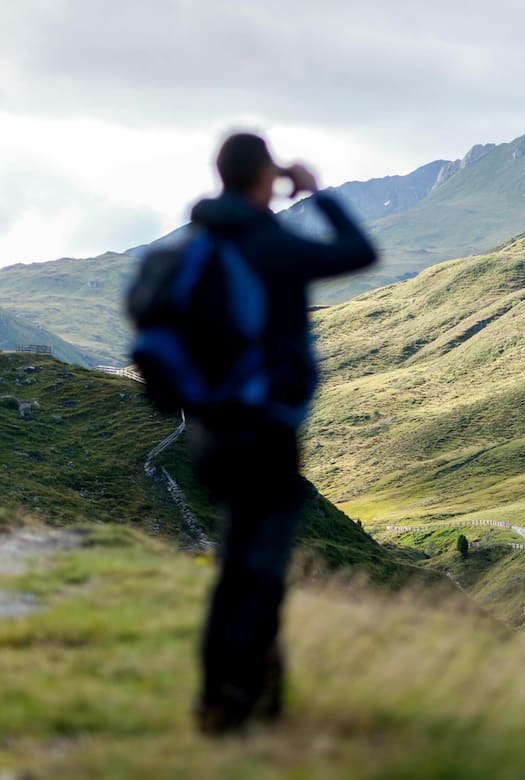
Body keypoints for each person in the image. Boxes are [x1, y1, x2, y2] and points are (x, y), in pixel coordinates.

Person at [187, 132, 376, 734]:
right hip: (264, 431)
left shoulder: (198, 242)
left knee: (239, 561)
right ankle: (233, 701)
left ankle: (244, 695)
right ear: (266, 177)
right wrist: (317, 193)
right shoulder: (268, 244)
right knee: (260, 568)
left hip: (210, 432)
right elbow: (356, 252)